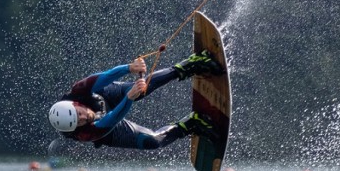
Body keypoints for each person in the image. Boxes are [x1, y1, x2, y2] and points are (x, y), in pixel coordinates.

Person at [48, 50, 225, 149]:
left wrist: (129, 68)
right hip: (107, 130)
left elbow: (104, 77)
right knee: (152, 142)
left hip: (105, 95)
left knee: (141, 89)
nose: (84, 117)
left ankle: (188, 65)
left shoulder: (78, 90)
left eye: (80, 113)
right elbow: (112, 119)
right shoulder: (85, 133)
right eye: (80, 122)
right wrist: (128, 98)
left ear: (76, 104)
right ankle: (191, 124)